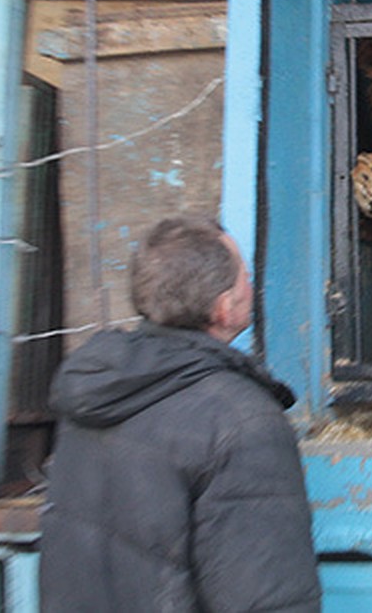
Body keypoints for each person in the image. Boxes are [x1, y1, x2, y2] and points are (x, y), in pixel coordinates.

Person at [40, 215, 322, 612]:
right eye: (244, 276)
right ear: (224, 309)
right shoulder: (242, 421)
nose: (251, 285)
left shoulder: (93, 393)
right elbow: (267, 596)